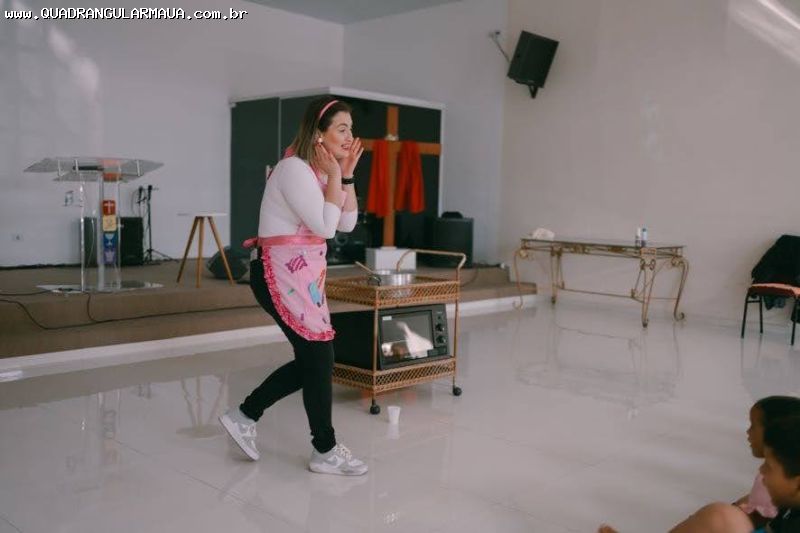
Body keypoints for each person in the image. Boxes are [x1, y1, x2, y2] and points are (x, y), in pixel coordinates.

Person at [219, 97, 367, 476]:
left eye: (350, 129)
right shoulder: (294, 169)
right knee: (318, 357)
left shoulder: (320, 172)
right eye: (342, 129)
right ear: (318, 133)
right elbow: (326, 228)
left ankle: (245, 415)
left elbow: (347, 223)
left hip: (303, 278)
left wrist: (346, 175)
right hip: (277, 274)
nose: (349, 136)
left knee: (315, 359)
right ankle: (324, 448)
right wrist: (335, 175)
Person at [598, 395, 800, 533]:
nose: (761, 471)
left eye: (769, 467)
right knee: (722, 516)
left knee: (723, 516)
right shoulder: (788, 503)